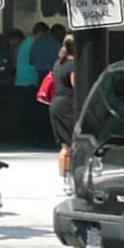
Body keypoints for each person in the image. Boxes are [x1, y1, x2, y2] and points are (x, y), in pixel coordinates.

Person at [49, 32, 80, 188]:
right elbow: (77, 87)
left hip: (57, 103)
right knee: (71, 144)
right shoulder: (74, 66)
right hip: (68, 105)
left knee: (64, 146)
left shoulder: (58, 63)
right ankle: (70, 179)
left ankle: (66, 180)